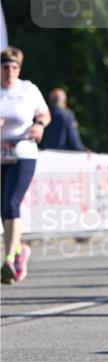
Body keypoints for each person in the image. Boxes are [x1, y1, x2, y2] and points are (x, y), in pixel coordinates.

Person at [1, 47, 51, 284]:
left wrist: (39, 125)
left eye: (14, 67)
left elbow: (45, 114)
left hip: (23, 151)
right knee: (4, 207)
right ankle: (20, 249)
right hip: (1, 152)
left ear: (19, 69)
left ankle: (8, 259)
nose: (10, 72)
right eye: (5, 68)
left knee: (12, 203)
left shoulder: (28, 89)